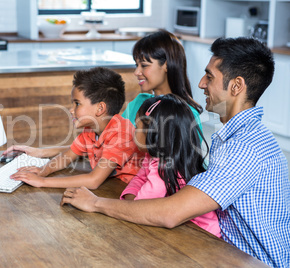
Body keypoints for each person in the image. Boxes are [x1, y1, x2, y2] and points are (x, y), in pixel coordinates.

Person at [61, 37, 290, 267]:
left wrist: (96, 204)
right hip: (223, 251)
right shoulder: (240, 135)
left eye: (209, 77)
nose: (201, 83)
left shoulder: (245, 147)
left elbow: (171, 213)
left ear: (236, 86)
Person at [2, 29, 203, 158]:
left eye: (144, 65)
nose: (136, 72)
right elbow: (103, 143)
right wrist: (39, 152)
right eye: (136, 65)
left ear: (166, 65)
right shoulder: (139, 102)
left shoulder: (185, 113)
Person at [9, 67, 144, 188]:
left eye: (77, 104)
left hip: (133, 189)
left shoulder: (121, 133)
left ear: (100, 108)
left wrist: (42, 182)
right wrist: (43, 171)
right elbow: (66, 157)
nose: (71, 110)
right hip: (113, 185)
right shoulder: (89, 130)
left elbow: (93, 180)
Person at [120, 94, 221, 237]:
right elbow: (139, 180)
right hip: (182, 230)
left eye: (137, 126)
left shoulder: (165, 166)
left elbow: (141, 205)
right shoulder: (153, 156)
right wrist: (131, 201)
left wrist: (132, 205)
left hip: (202, 237)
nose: (133, 131)